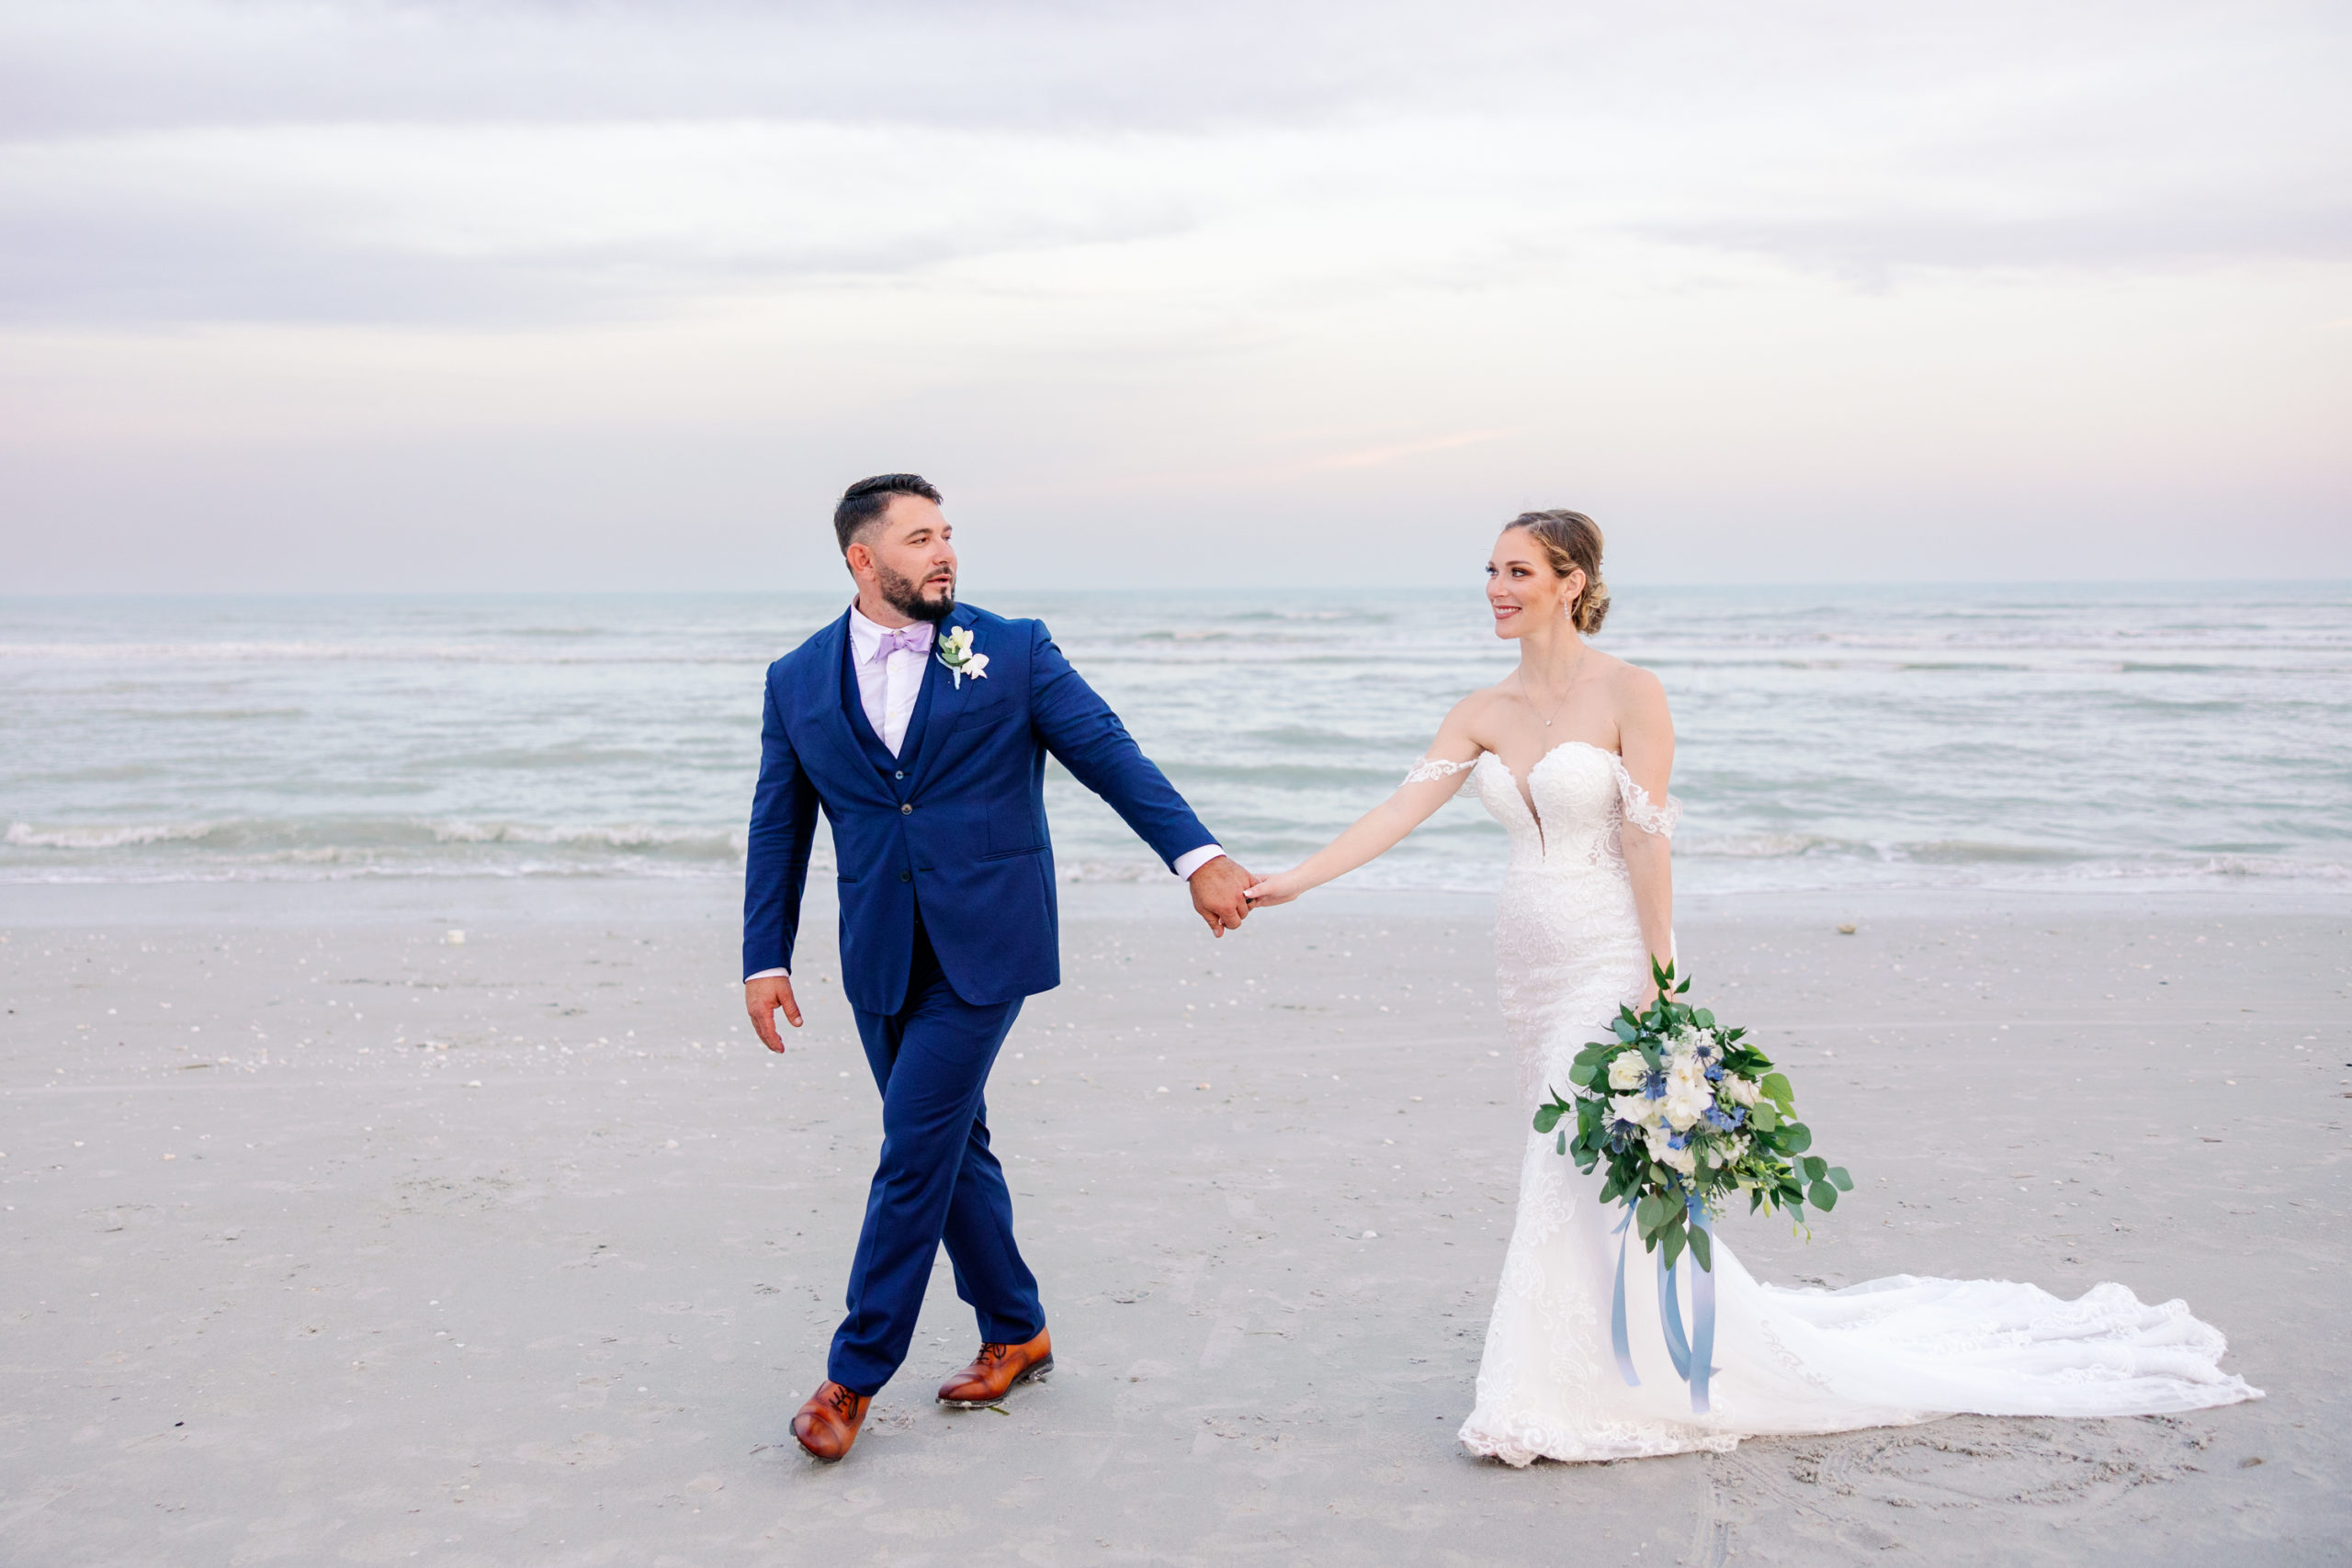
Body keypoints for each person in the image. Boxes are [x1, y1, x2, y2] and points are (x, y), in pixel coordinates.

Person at [1242, 509, 2258, 1463]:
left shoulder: (1631, 692)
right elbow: (1392, 815)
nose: (1497, 589)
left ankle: (1562, 1386)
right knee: (1588, 1164)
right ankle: (1602, 1357)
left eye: (1517, 572)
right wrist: (1283, 882)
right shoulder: (1479, 709)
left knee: (1569, 1156)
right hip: (1525, 959)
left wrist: (1660, 975)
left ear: (1571, 582)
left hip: (1610, 956)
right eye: (1492, 573)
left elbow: (1645, 836)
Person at [741, 474, 1257, 1462]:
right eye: (920, 538)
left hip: (990, 942)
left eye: (947, 535)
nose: (944, 554)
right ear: (862, 559)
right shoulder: (795, 678)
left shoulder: (1011, 648)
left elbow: (1108, 752)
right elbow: (779, 826)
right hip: (880, 953)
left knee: (912, 1146)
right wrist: (764, 957)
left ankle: (852, 1376)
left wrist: (1198, 858)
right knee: (948, 1146)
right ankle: (1016, 1328)